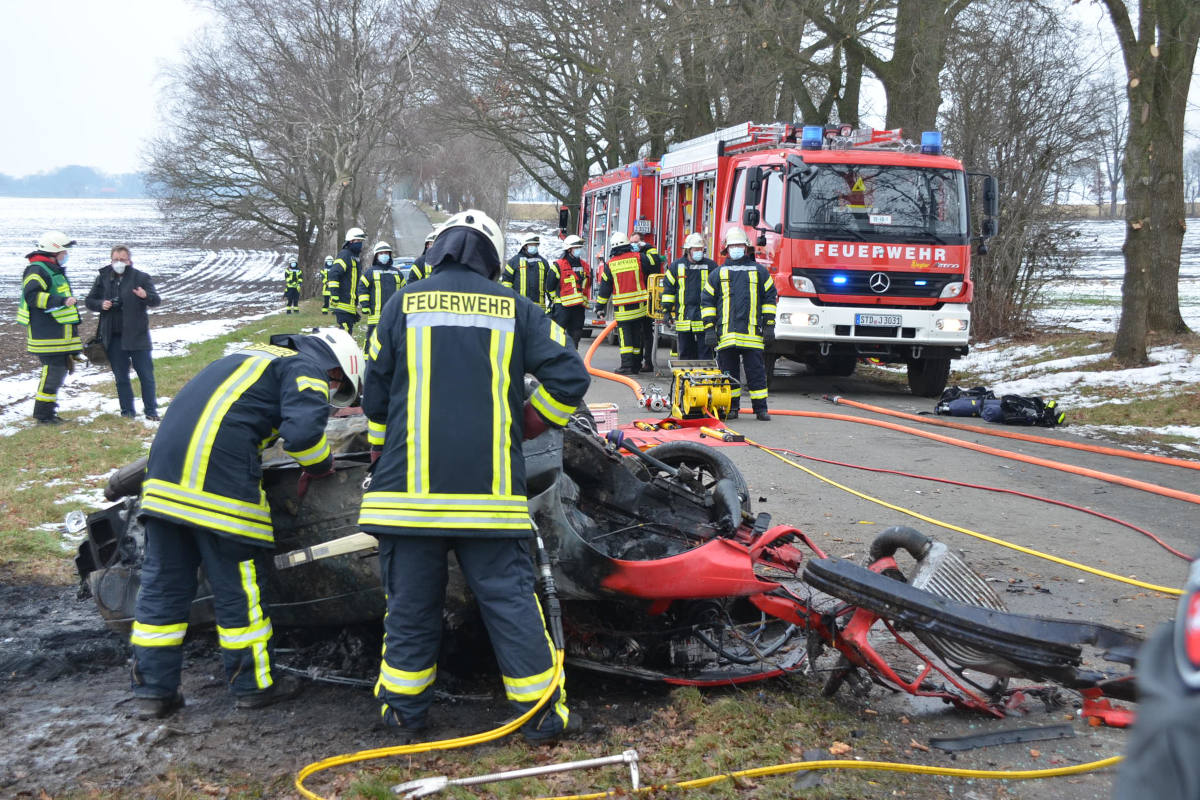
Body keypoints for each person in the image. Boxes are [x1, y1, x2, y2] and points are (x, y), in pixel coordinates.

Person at [359, 209, 590, 743]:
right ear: (492, 258)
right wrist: (531, 422)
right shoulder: (516, 308)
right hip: (489, 502)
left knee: (410, 608)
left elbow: (375, 398)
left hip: (407, 503)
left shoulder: (400, 304)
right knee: (510, 603)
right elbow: (570, 375)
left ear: (437, 250)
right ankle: (540, 718)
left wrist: (382, 448)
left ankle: (403, 714)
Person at [130, 327, 364, 719]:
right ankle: (254, 686)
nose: (331, 392)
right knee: (239, 593)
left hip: (163, 487)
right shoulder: (305, 367)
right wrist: (322, 465)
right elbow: (303, 437)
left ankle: (153, 693)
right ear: (337, 369)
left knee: (162, 591)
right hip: (220, 490)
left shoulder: (244, 359)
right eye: (336, 386)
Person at [701, 227, 777, 421]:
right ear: (727, 249)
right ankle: (731, 407)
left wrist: (769, 325)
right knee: (728, 375)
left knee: (756, 373)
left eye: (739, 245)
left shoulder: (760, 272)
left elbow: (769, 299)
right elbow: (707, 303)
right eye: (733, 245)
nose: (736, 248)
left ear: (746, 247)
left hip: (752, 335)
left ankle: (761, 409)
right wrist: (709, 329)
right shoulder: (717, 274)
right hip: (726, 335)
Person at [84, 245, 162, 420]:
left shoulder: (141, 277)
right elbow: (89, 301)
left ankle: (151, 411)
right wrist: (101, 304)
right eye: (116, 260)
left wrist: (145, 296)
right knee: (121, 378)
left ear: (130, 261)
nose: (119, 263)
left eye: (123, 260)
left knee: (146, 376)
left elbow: (156, 300)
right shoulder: (103, 278)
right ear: (111, 261)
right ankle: (127, 412)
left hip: (137, 336)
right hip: (113, 338)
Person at [16, 231, 81, 424]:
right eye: (63, 252)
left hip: (57, 336)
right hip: (47, 337)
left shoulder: (50, 269)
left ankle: (49, 414)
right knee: (52, 374)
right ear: (53, 251)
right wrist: (61, 301)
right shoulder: (37, 270)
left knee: (57, 373)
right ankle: (44, 416)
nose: (66, 255)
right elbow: (32, 296)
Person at [595, 231, 651, 375]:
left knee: (625, 338)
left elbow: (605, 289)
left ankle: (626, 366)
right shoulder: (639, 258)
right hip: (640, 307)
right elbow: (653, 268)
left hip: (623, 310)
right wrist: (647, 247)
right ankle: (636, 365)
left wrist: (599, 307)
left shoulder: (610, 264)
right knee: (637, 336)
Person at [662, 233, 716, 360]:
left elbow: (717, 291)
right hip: (684, 317)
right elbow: (669, 290)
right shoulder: (676, 266)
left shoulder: (711, 266)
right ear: (688, 250)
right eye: (696, 249)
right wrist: (666, 310)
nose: (699, 252)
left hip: (705, 319)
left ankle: (703, 374)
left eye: (701, 249)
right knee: (685, 355)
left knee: (705, 356)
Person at [629, 232, 665, 370]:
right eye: (631, 242)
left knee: (646, 332)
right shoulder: (630, 253)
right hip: (634, 298)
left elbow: (654, 264)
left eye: (636, 242)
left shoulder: (649, 253)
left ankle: (648, 362)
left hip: (648, 298)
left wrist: (646, 248)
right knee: (636, 332)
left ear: (642, 242)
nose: (633, 245)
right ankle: (636, 362)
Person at [357, 241, 405, 343]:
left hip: (394, 316)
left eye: (386, 253)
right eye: (381, 253)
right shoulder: (370, 273)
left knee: (393, 343)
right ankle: (367, 354)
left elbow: (404, 291)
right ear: (376, 256)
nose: (384, 255)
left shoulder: (397, 273)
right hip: (375, 316)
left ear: (390, 255)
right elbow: (362, 288)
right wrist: (365, 305)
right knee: (372, 342)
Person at [549, 235, 590, 349]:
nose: (578, 250)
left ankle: (572, 356)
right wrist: (555, 300)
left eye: (579, 247)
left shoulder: (585, 265)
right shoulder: (558, 265)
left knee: (576, 334)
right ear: (569, 249)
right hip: (562, 307)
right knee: (558, 334)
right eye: (576, 247)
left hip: (578, 307)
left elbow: (587, 284)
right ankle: (557, 356)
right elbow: (550, 286)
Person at [327, 228, 366, 334]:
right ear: (351, 241)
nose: (360, 243)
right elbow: (334, 274)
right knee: (345, 333)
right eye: (358, 241)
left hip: (350, 304)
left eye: (361, 241)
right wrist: (334, 294)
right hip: (342, 303)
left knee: (347, 332)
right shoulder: (345, 255)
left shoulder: (355, 258)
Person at [500, 233, 553, 311]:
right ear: (525, 246)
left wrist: (552, 302)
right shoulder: (514, 262)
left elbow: (549, 285)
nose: (534, 247)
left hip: (538, 309)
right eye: (531, 245)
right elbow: (506, 282)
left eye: (536, 245)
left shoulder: (543, 263)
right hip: (519, 307)